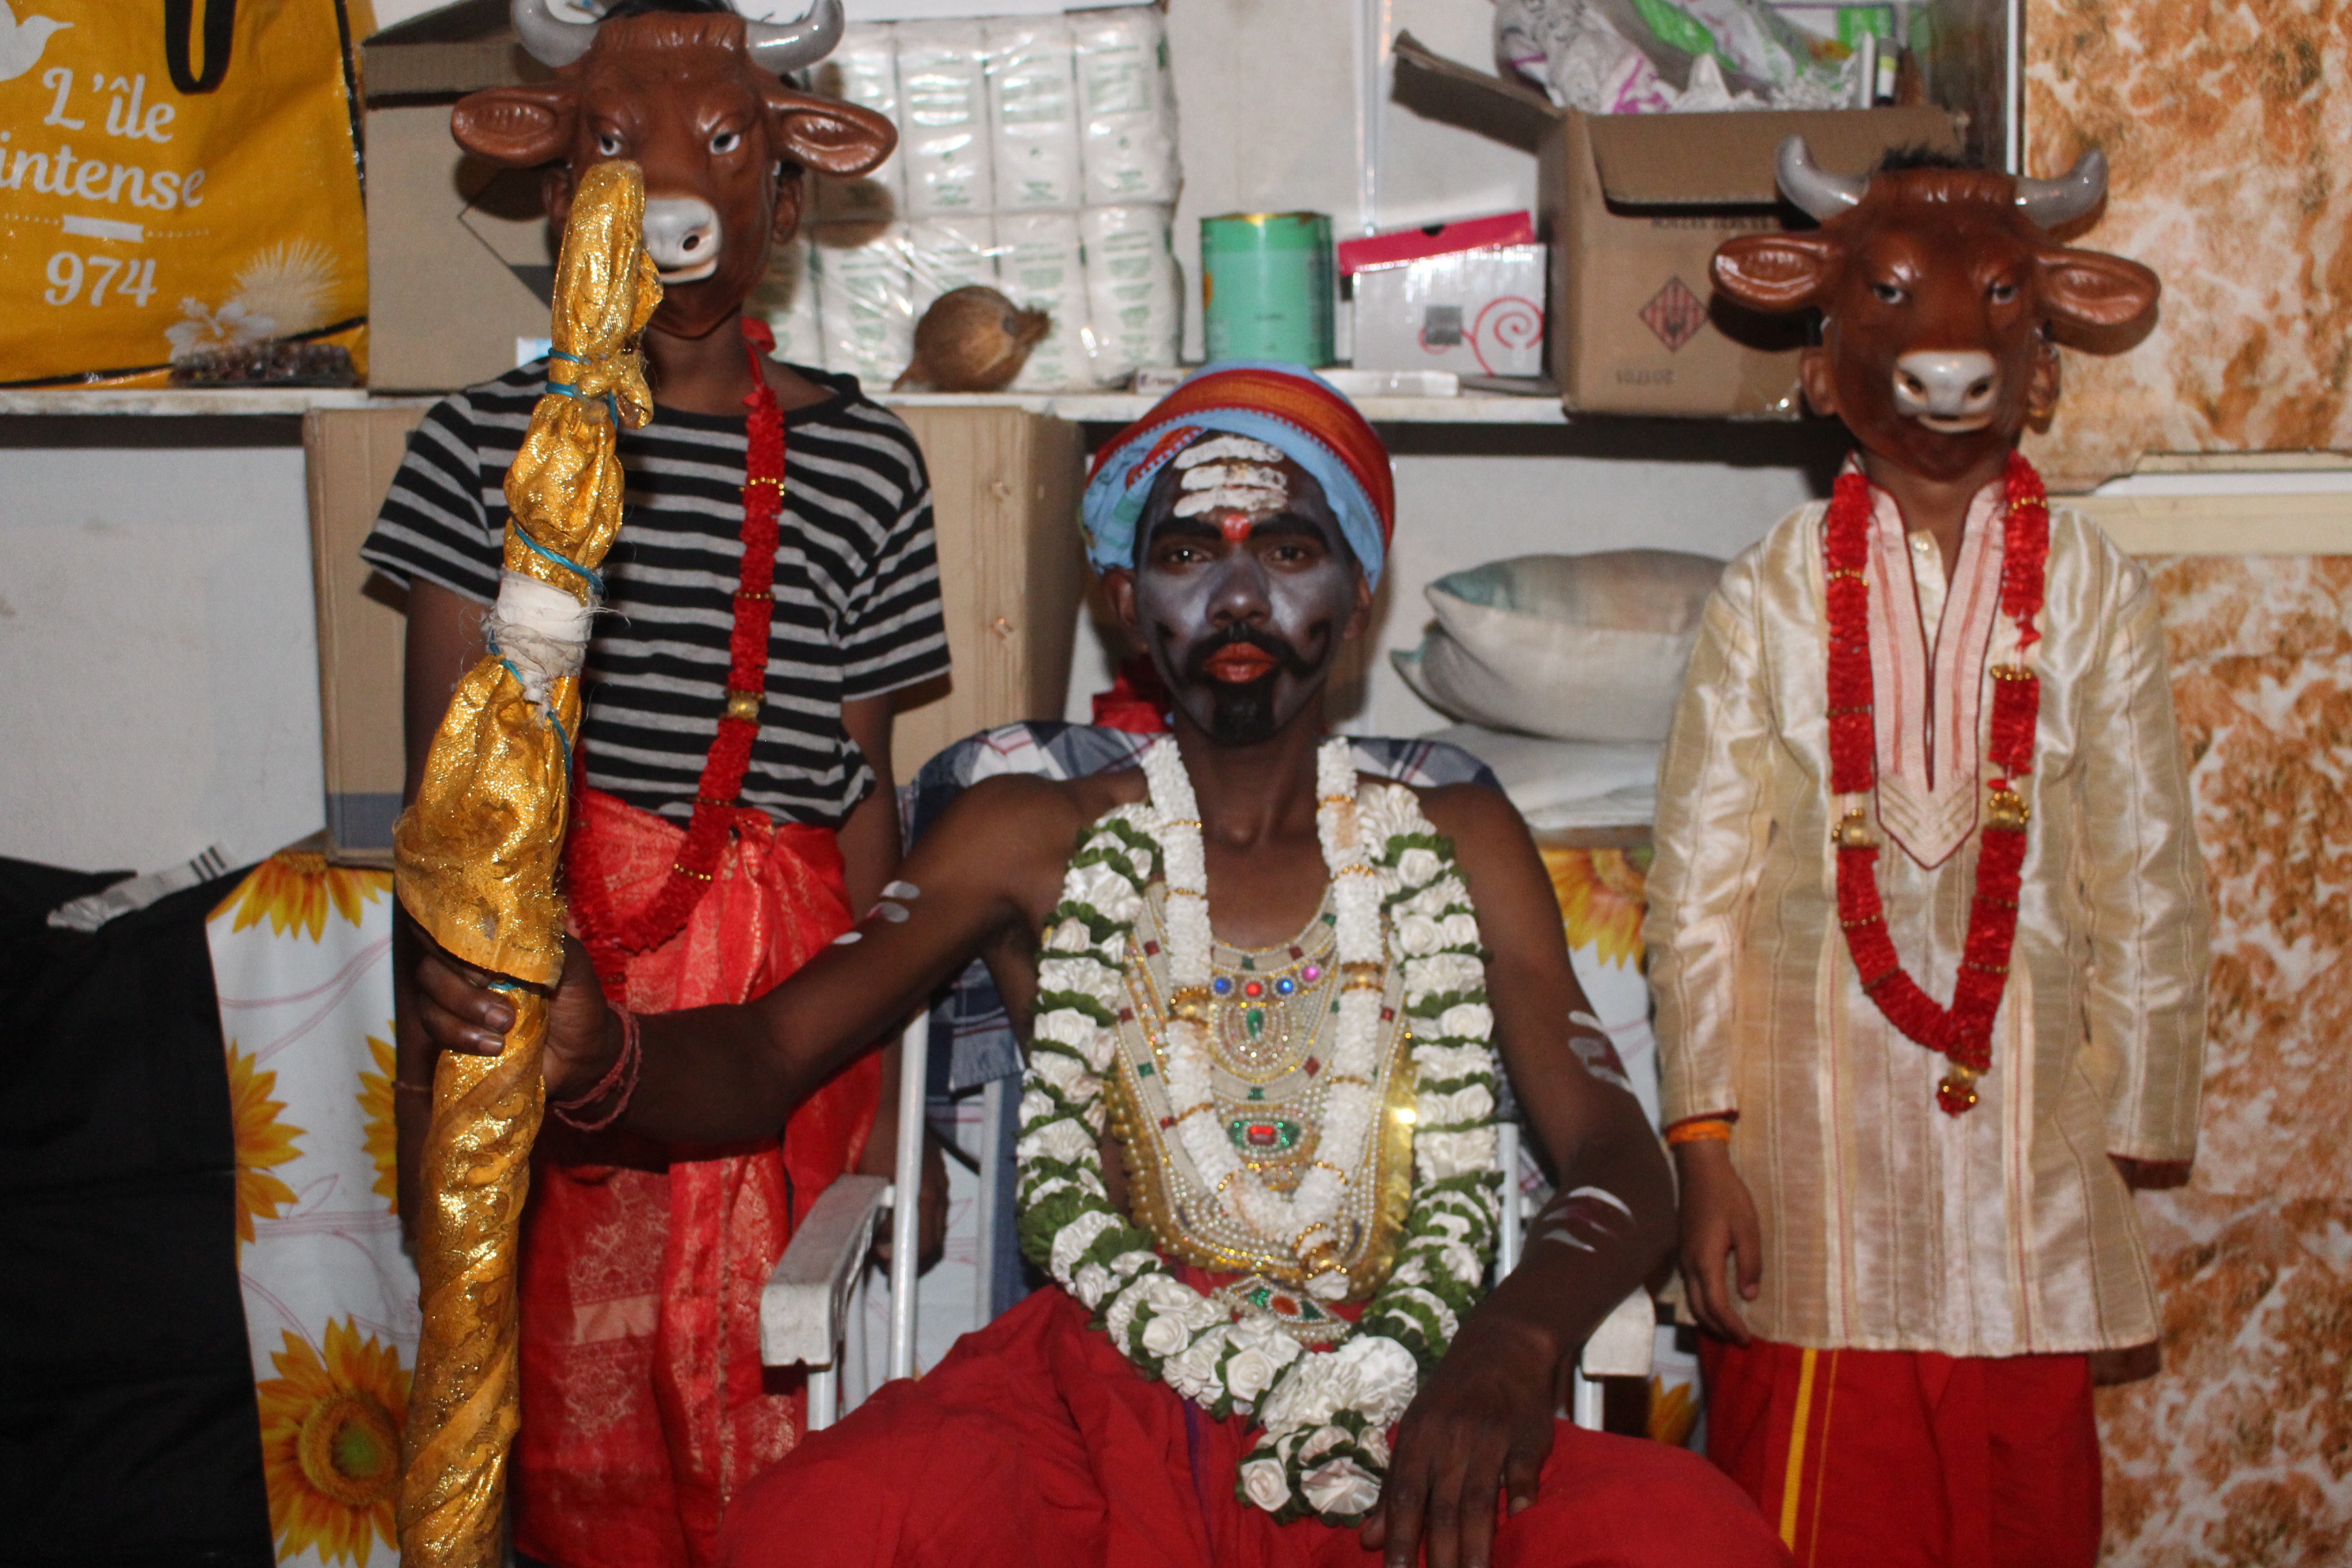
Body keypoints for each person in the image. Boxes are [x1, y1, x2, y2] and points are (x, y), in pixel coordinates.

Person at [416, 362, 1791, 1568]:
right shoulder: (1028, 831)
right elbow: (772, 1054)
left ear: (1359, 593)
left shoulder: (1453, 830)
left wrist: (1513, 1342)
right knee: (824, 1526)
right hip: (1095, 1397)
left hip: (1412, 1390)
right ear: (1127, 602)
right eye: (1191, 555)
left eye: (1291, 549)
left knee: (1695, 1537)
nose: (1243, 591)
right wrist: (608, 1056)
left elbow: (1614, 1150)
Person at [363, 4, 945, 1561]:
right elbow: (454, 806)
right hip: (551, 1000)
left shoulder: (865, 461)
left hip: (780, 1022)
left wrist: (890, 1142)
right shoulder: (475, 447)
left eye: (729, 145)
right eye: (618, 146)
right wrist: (457, 1018)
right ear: (559, 189)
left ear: (794, 191)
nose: (676, 189)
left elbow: (865, 798)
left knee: (789, 1415)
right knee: (565, 1409)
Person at [1648, 147, 2210, 1567]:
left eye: (1995, 301)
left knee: (2024, 1510)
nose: (1947, 352)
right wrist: (1703, 1147)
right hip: (1805, 1172)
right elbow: (1699, 886)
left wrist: (2133, 1117)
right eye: (1891, 297)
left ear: (2041, 342)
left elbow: (2147, 867)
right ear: (1826, 339)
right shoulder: (1770, 594)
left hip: (2030, 1156)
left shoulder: (2094, 592)